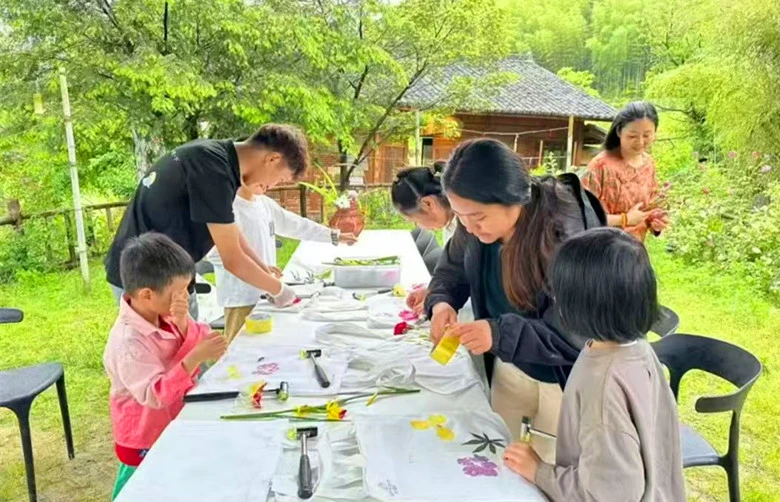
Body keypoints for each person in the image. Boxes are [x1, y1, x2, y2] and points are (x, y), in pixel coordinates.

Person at [424, 138, 605, 461]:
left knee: (552, 468)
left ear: (514, 199)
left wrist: (497, 333)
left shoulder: (565, 235)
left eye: (477, 217)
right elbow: (450, 271)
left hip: (563, 374)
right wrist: (441, 303)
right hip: (510, 360)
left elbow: (574, 331)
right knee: (501, 455)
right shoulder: (473, 222)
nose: (468, 226)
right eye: (461, 216)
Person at [503, 227, 685, 501]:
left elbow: (609, 495)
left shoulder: (602, 388)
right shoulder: (637, 348)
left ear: (577, 305)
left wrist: (539, 471)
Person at [105, 124, 308, 319]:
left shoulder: (219, 159)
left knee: (189, 347)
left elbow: (230, 230)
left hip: (174, 275)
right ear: (272, 159)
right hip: (145, 281)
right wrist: (281, 291)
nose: (271, 186)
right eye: (280, 179)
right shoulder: (213, 172)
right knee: (164, 351)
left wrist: (261, 266)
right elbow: (233, 260)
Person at [103, 233, 228, 499]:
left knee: (175, 479)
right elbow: (154, 394)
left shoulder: (164, 314)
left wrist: (184, 323)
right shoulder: (129, 343)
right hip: (143, 436)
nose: (184, 298)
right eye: (178, 293)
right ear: (147, 294)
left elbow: (196, 337)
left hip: (173, 419)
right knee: (143, 488)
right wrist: (195, 357)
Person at [207, 184, 358, 342]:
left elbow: (294, 224)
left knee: (266, 346)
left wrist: (332, 235)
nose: (275, 183)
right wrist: (258, 268)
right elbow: (218, 254)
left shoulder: (263, 203)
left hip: (271, 293)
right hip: (242, 298)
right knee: (239, 347)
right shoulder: (227, 208)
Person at [582, 101, 669, 242]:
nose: (640, 142)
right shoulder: (600, 165)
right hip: (601, 250)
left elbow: (649, 207)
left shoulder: (649, 164)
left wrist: (655, 222)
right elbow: (583, 215)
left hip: (635, 251)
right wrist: (625, 219)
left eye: (647, 135)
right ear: (619, 132)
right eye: (632, 136)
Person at [390, 162, 458, 314]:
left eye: (416, 220)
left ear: (428, 203)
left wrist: (439, 298)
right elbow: (458, 272)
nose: (419, 227)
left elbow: (476, 278)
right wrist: (433, 291)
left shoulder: (470, 225)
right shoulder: (451, 223)